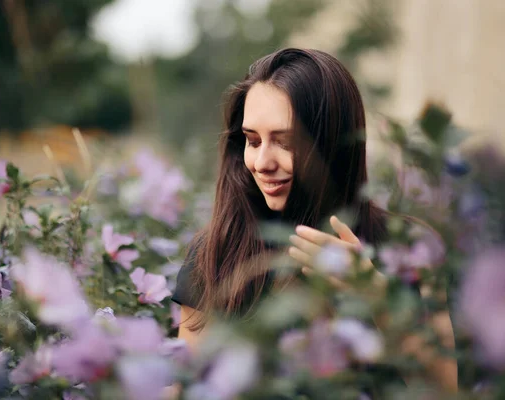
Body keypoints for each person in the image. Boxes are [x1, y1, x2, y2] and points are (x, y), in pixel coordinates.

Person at [171, 48, 457, 392]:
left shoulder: (409, 246)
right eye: (252, 140)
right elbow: (190, 387)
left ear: (333, 144)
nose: (262, 162)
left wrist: (376, 295)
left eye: (284, 141)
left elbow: (443, 391)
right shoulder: (216, 250)